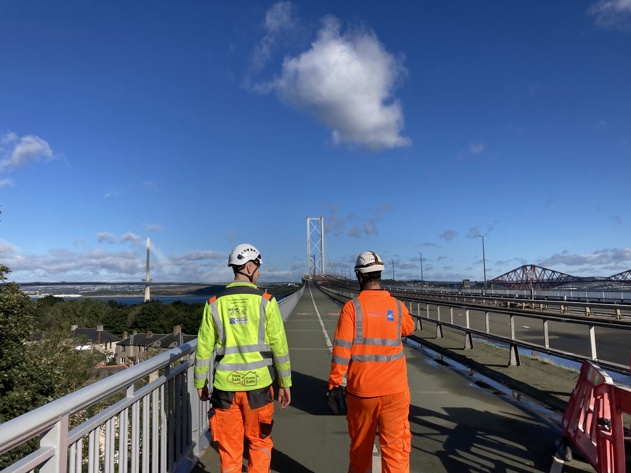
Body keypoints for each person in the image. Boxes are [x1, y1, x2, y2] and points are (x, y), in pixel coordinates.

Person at [194, 243, 292, 473]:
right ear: (249, 267)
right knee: (259, 443)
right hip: (258, 388)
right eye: (257, 269)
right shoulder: (266, 301)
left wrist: (200, 383)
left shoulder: (214, 304)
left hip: (225, 388)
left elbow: (203, 349)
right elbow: (280, 347)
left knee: (229, 449)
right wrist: (285, 383)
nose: (258, 273)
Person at [328, 250, 416, 473]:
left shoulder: (352, 308)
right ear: (379, 275)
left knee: (361, 450)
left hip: (362, 393)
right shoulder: (396, 306)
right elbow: (409, 329)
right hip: (396, 392)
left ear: (359, 276)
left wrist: (334, 384)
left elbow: (341, 352)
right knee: (396, 451)